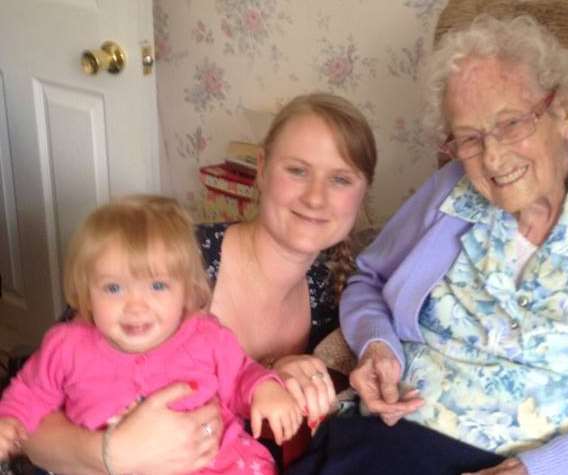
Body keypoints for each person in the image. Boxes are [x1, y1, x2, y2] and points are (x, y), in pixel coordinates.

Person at [298, 14, 568, 475]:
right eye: (470, 138)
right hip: (397, 440)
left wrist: (549, 466)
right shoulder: (451, 191)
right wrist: (378, 345)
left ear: (565, 111)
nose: (492, 158)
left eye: (511, 123)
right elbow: (369, 279)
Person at [20, 93, 377, 475]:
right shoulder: (175, 261)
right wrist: (112, 454)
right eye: (297, 170)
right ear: (260, 168)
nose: (315, 197)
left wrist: (277, 372)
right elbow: (29, 426)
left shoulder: (328, 292)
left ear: (362, 193)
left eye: (340, 179)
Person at [0, 195, 302, 474]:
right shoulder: (66, 346)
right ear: (86, 293)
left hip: (219, 464)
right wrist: (9, 421)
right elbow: (29, 392)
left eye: (157, 286)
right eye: (113, 288)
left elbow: (240, 375)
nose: (135, 306)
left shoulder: (206, 336)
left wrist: (265, 390)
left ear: (186, 290)